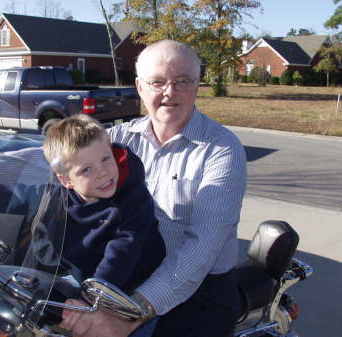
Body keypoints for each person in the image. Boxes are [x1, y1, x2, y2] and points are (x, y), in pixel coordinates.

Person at [0, 114, 166, 336]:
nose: (104, 172)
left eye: (106, 159)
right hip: (80, 280)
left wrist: (92, 302)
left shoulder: (133, 196)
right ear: (66, 180)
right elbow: (8, 196)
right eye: (87, 169)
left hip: (126, 291)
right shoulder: (58, 194)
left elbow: (124, 248)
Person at [60, 40, 247, 337]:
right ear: (139, 86)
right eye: (157, 82)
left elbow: (202, 247)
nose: (169, 93)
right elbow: (55, 161)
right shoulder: (118, 139)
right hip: (131, 277)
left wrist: (130, 316)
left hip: (200, 293)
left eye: (182, 81)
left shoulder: (222, 149)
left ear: (197, 85)